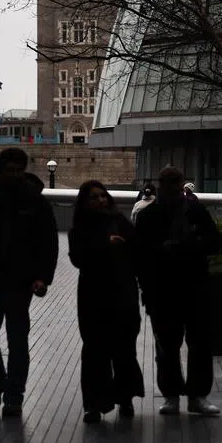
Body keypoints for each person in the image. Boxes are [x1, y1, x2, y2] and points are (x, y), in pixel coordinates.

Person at [0, 147, 59, 417]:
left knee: (17, 340)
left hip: (20, 281)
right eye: (11, 171)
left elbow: (48, 241)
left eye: (20, 170)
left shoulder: (35, 201)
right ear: (1, 170)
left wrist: (42, 277)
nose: (16, 175)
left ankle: (14, 395)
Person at [135, 166, 222, 417]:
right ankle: (196, 397)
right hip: (192, 285)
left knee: (169, 346)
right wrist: (194, 245)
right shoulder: (195, 210)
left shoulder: (148, 215)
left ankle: (173, 396)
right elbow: (216, 242)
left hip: (166, 288)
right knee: (196, 344)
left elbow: (141, 258)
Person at [68, 180, 144, 423]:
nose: (101, 200)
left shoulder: (120, 222)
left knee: (124, 348)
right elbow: (77, 258)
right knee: (95, 349)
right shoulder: (80, 229)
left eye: (103, 195)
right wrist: (104, 246)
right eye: (94, 197)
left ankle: (125, 397)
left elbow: (138, 250)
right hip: (94, 296)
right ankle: (94, 403)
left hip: (122, 293)